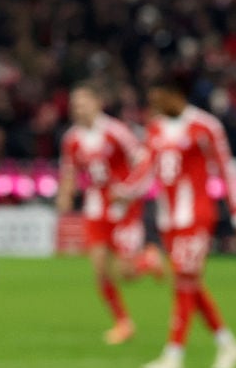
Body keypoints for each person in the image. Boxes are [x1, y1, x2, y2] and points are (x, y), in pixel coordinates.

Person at [115, 72, 236, 368]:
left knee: (183, 281)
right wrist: (124, 192)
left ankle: (173, 355)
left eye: (157, 98)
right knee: (190, 283)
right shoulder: (155, 128)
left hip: (197, 216)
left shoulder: (205, 126)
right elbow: (146, 170)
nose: (153, 105)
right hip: (169, 220)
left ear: (174, 95)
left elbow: (227, 171)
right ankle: (227, 344)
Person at [56, 82, 162, 345]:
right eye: (75, 104)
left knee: (125, 272)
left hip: (122, 207)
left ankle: (147, 260)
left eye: (83, 103)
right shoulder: (72, 138)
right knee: (100, 268)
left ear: (97, 103)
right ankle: (123, 323)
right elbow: (69, 171)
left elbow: (143, 159)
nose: (78, 109)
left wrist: (128, 190)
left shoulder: (116, 131)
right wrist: (65, 196)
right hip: (95, 207)